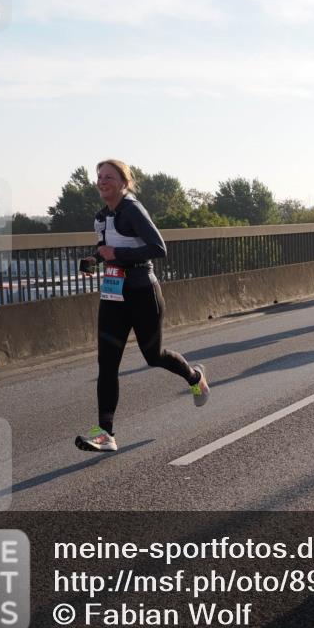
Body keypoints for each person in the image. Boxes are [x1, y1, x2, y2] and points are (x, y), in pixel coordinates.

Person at [76, 159, 209, 452]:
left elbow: (159, 248)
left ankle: (195, 377)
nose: (102, 181)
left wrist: (117, 253)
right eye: (99, 177)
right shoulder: (101, 217)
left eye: (109, 176)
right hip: (113, 295)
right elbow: (106, 250)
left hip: (141, 291)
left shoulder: (132, 210)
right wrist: (94, 260)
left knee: (154, 355)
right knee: (107, 364)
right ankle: (105, 433)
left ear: (124, 182)